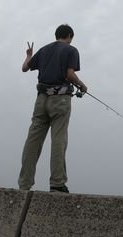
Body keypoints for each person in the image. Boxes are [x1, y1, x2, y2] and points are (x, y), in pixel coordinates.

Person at [18, 24, 87, 193]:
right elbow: (69, 75)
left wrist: (29, 56)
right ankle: (57, 183)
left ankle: (24, 185)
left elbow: (25, 68)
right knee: (58, 139)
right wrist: (83, 86)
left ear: (56, 35)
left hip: (41, 100)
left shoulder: (43, 50)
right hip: (60, 100)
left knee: (33, 141)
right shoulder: (71, 50)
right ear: (70, 35)